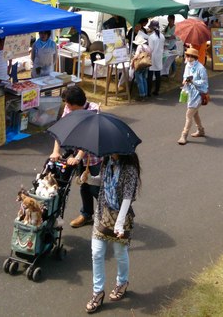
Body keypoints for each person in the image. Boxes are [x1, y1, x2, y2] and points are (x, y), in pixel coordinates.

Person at [84, 152, 141, 313]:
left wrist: (120, 223)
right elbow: (101, 182)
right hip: (102, 213)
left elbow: (128, 197)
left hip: (120, 217)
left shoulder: (130, 169)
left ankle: (122, 282)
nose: (108, 150)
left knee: (119, 253)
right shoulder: (107, 162)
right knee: (96, 252)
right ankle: (97, 293)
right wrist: (87, 179)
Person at [49, 86, 102, 229]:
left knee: (96, 189)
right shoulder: (69, 110)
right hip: (79, 158)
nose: (66, 106)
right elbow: (61, 129)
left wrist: (78, 157)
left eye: (67, 103)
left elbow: (89, 137)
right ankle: (86, 214)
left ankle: (110, 214)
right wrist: (55, 151)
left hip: (94, 157)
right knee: (84, 186)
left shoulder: (93, 110)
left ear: (76, 104)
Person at [177, 47, 209, 145]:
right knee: (195, 113)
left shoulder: (200, 68)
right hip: (190, 92)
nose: (189, 58)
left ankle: (184, 135)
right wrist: (185, 81)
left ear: (195, 57)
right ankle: (201, 130)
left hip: (198, 94)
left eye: (191, 56)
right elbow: (185, 76)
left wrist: (193, 81)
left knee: (189, 114)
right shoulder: (188, 66)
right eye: (188, 55)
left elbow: (204, 82)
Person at [129, 35, 151, 100]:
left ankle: (142, 95)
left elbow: (136, 56)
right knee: (144, 79)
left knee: (139, 80)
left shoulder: (140, 47)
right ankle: (145, 93)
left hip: (140, 64)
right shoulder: (147, 46)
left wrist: (132, 60)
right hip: (146, 64)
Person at [146, 20, 164, 97]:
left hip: (153, 56)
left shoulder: (151, 37)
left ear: (152, 28)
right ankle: (157, 90)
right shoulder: (162, 36)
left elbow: (150, 49)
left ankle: (148, 92)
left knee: (150, 75)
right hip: (159, 56)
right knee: (158, 75)